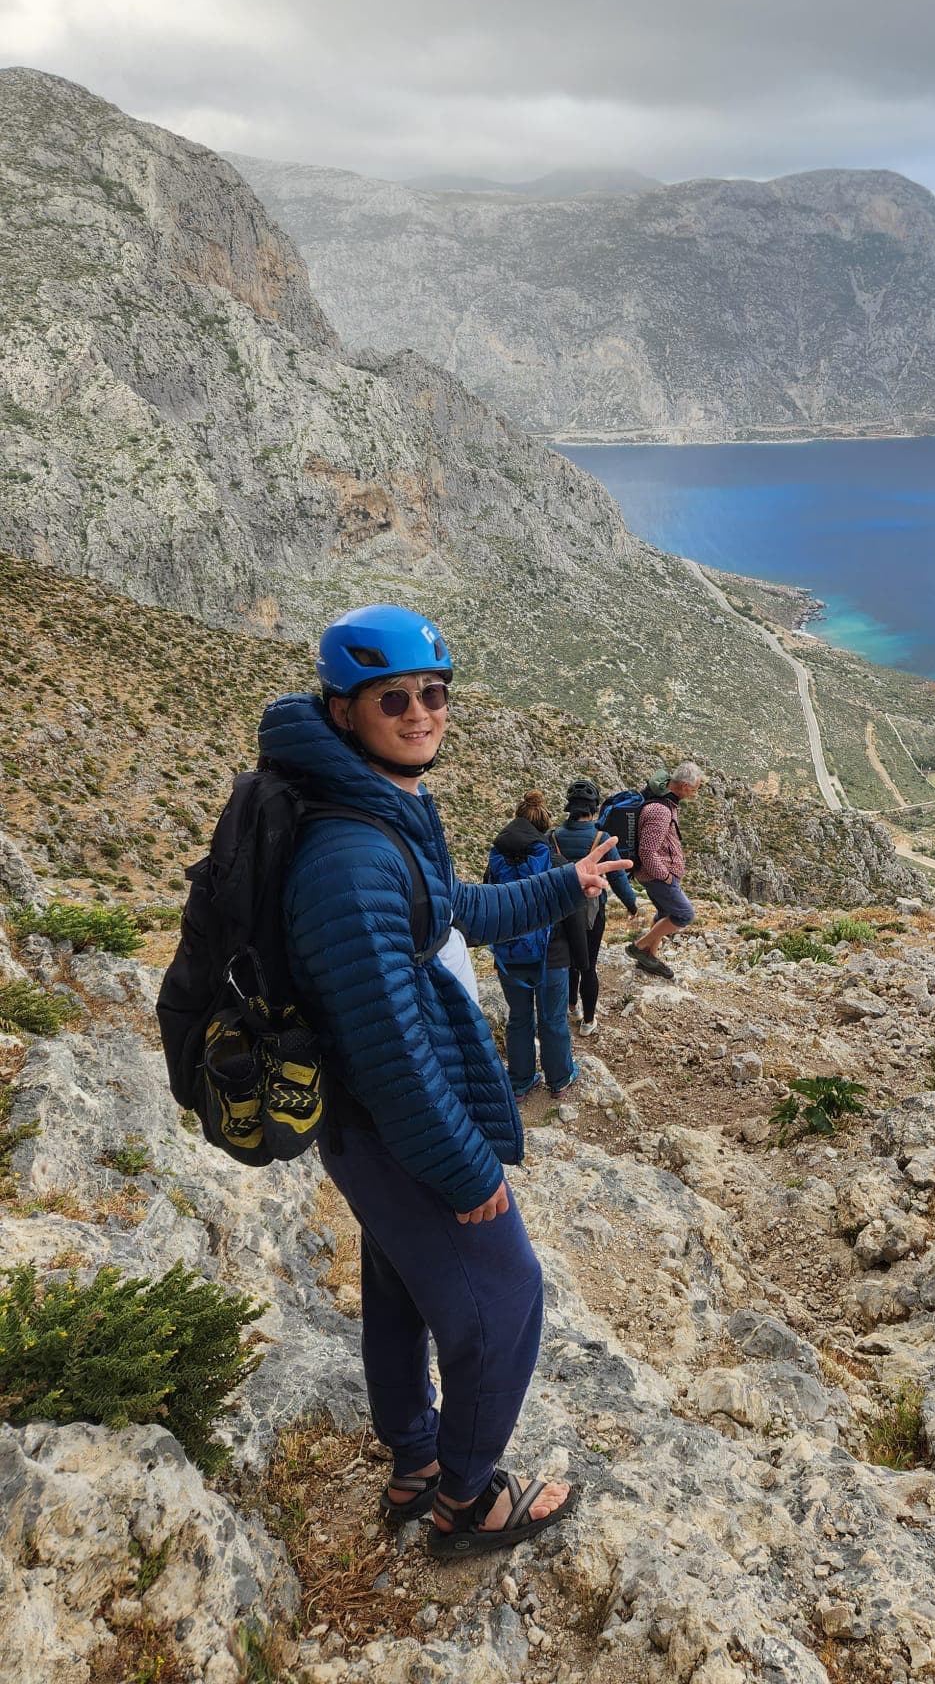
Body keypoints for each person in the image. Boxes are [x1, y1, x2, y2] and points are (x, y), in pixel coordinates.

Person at [261, 603, 627, 1557]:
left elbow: (446, 911)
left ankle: (416, 1459)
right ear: (345, 710)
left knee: (398, 1285)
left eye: (435, 693)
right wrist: (469, 1178)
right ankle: (467, 1499)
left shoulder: (381, 806)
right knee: (503, 1296)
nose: (422, 711)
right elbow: (388, 1048)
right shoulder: (348, 857)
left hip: (370, 1124)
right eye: (396, 698)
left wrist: (565, 882)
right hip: (391, 1125)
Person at [486, 791, 587, 1094]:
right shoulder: (556, 863)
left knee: (518, 1018)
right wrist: (582, 962)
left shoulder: (496, 864)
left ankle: (520, 1081)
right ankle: (559, 1079)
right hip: (552, 957)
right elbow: (574, 917)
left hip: (509, 955)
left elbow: (489, 908)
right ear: (544, 828)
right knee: (553, 1019)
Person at [552, 777, 637, 1035]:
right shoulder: (602, 838)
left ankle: (571, 1005)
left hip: (561, 908)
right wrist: (631, 903)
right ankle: (588, 1021)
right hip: (592, 909)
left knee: (567, 959)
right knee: (588, 963)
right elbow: (618, 877)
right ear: (594, 807)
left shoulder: (553, 836)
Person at [627, 761, 703, 980]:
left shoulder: (666, 804)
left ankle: (649, 958)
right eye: (695, 788)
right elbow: (647, 851)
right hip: (657, 876)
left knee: (665, 914)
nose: (695, 792)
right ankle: (639, 947)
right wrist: (666, 876)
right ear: (685, 786)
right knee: (684, 914)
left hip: (659, 875)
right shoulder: (660, 810)